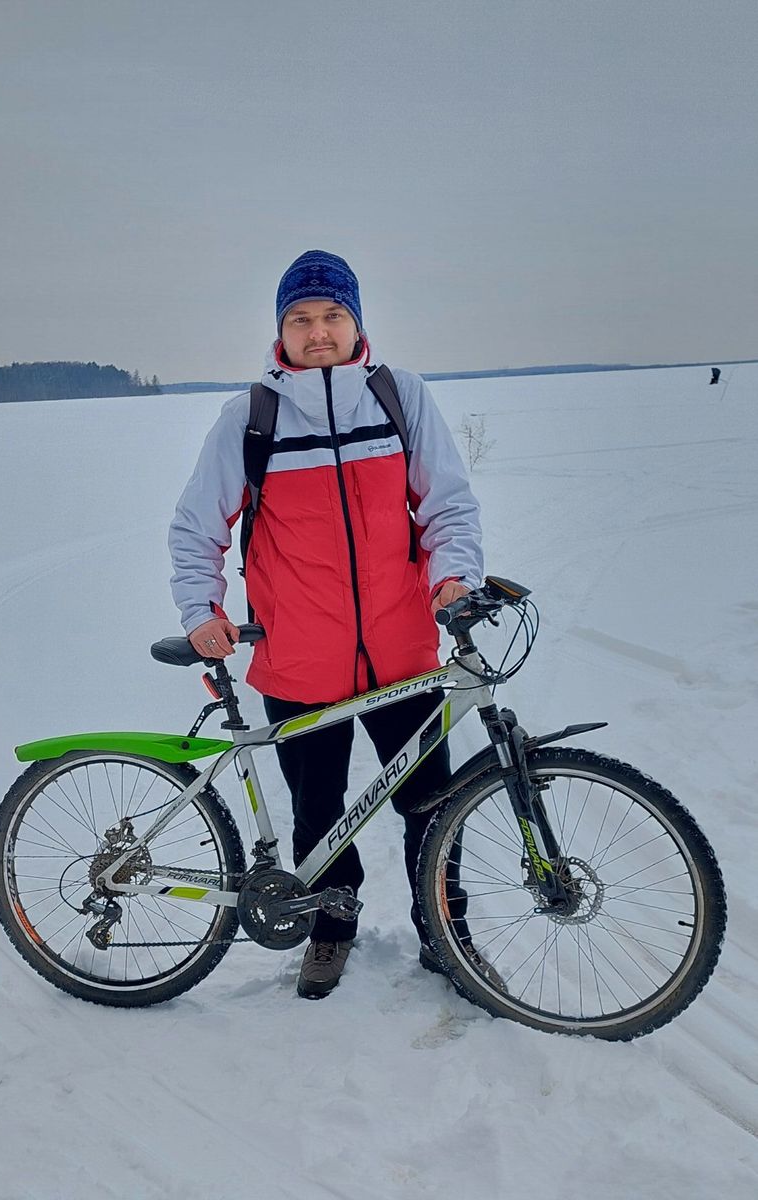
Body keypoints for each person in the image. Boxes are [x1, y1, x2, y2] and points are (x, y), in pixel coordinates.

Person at [169, 250, 484, 999]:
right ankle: (331, 929)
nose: (319, 332)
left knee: (433, 805)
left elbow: (447, 504)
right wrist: (201, 610)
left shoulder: (398, 396)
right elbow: (197, 526)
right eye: (301, 319)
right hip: (299, 659)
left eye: (333, 315)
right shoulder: (253, 416)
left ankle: (445, 931)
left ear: (356, 321)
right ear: (281, 330)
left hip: (404, 653)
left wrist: (453, 577)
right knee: (317, 813)